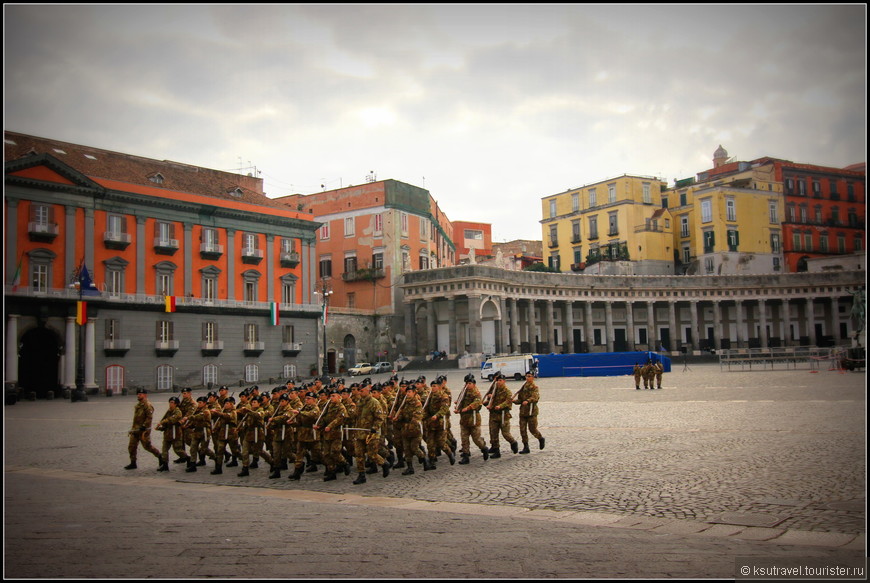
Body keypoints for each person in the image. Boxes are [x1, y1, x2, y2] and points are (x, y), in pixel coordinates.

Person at [351, 380, 390, 484]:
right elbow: (357, 416)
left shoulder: (374, 402)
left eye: (362, 390)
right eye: (359, 391)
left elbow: (380, 418)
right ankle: (361, 475)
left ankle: (384, 463)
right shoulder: (359, 402)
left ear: (368, 391)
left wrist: (375, 427)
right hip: (360, 433)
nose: (360, 392)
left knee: (372, 455)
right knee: (359, 455)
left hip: (371, 434)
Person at [454, 374, 489, 464]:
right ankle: (466, 455)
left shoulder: (476, 392)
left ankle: (484, 448)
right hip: (464, 418)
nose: (468, 385)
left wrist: (468, 407)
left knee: (476, 439)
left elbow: (478, 402)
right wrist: (458, 406)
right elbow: (461, 400)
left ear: (474, 384)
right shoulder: (464, 391)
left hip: (473, 418)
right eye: (466, 383)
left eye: (470, 383)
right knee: (464, 438)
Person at [391, 381, 425, 475]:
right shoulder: (405, 402)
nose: (408, 393)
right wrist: (397, 418)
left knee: (414, 448)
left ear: (414, 392)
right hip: (404, 429)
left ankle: (424, 460)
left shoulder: (417, 403)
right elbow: (402, 412)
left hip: (414, 430)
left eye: (409, 392)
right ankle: (410, 467)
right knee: (406, 449)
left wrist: (410, 426)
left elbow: (417, 416)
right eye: (407, 392)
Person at [315, 388, 348, 481]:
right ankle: (331, 472)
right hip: (327, 433)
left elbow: (340, 419)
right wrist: (319, 426)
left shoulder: (341, 407)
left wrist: (330, 426)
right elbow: (324, 418)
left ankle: (344, 463)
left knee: (335, 452)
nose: (331, 398)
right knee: (326, 454)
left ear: (338, 397)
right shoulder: (328, 406)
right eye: (331, 396)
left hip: (336, 433)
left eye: (334, 396)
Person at [125, 389, 162, 470]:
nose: (138, 396)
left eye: (140, 394)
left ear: (145, 395)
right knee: (131, 447)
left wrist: (145, 426)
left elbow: (149, 417)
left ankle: (160, 456)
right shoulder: (138, 405)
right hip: (135, 430)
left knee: (147, 446)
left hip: (143, 431)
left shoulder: (147, 405)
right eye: (138, 394)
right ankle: (133, 462)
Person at [484, 372, 518, 458]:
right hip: (493, 414)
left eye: (500, 380)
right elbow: (491, 401)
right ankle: (496, 450)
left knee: (505, 434)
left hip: (503, 415)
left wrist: (500, 406)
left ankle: (513, 442)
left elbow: (508, 401)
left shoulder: (507, 391)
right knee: (493, 433)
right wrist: (486, 402)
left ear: (504, 381)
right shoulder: (495, 390)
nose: (498, 382)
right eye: (497, 380)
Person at [288, 391, 320, 480]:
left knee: (317, 453)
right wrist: (292, 423)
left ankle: (333, 467)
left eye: (309, 399)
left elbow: (312, 415)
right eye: (306, 398)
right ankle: (297, 471)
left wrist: (299, 412)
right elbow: (299, 422)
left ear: (313, 400)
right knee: (299, 453)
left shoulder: (315, 408)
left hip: (312, 434)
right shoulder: (303, 408)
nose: (306, 400)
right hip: (302, 434)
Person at [514, 372, 545, 453]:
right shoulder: (523, 387)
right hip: (523, 412)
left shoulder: (534, 387)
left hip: (531, 412)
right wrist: (514, 401)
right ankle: (526, 447)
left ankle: (540, 438)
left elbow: (535, 397)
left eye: (529, 376)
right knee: (522, 430)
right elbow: (520, 399)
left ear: (533, 377)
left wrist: (528, 401)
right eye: (526, 376)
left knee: (533, 429)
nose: (527, 378)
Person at [155, 396, 187, 471]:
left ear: (176, 404)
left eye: (172, 402)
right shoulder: (169, 411)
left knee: (178, 450)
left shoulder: (178, 412)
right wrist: (160, 428)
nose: (170, 404)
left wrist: (162, 422)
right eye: (170, 402)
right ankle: (165, 465)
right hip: (167, 433)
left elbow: (172, 420)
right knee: (164, 450)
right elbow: (165, 422)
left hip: (175, 434)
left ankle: (188, 458)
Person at [210, 397, 238, 475]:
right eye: (225, 403)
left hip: (231, 434)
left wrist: (217, 413)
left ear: (231, 404)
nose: (225, 405)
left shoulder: (233, 412)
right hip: (222, 434)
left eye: (227, 403)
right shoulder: (223, 411)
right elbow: (219, 422)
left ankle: (244, 463)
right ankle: (218, 468)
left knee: (235, 451)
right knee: (220, 450)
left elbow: (228, 416)